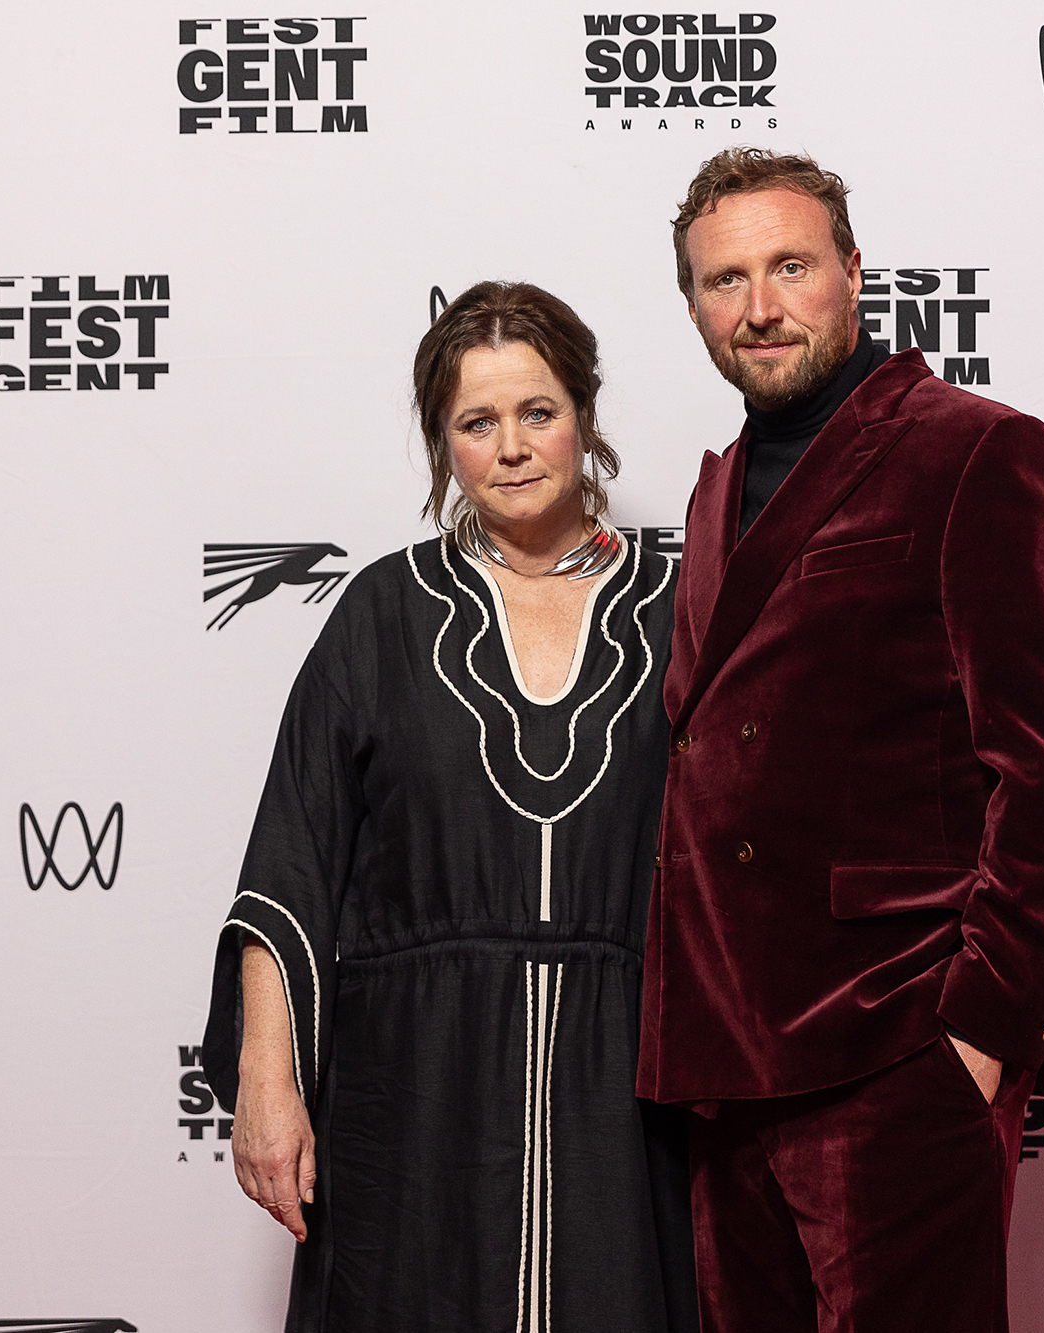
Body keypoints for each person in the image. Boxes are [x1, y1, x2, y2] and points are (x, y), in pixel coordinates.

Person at [637, 147, 1044, 1331]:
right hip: (727, 1067)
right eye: (723, 279)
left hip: (897, 1044)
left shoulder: (977, 452)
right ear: (691, 303)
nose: (759, 306)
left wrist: (977, 1035)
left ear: (852, 271)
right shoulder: (714, 492)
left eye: (790, 265)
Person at [203, 281, 696, 1333]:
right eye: (477, 422)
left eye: (537, 412)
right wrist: (267, 1083)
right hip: (413, 1092)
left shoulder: (685, 606)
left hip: (629, 1100)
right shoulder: (381, 612)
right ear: (444, 446)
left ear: (583, 419)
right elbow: (291, 865)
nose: (512, 447)